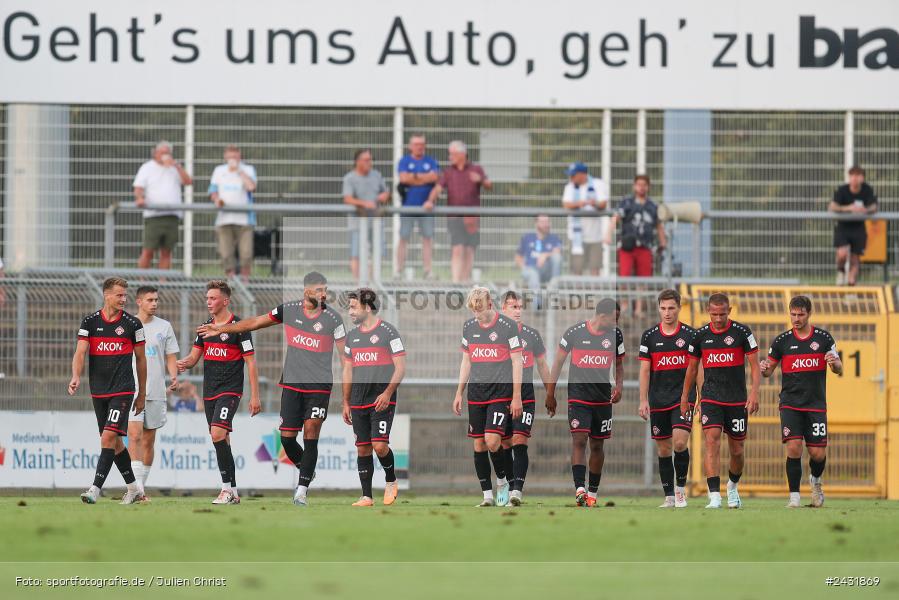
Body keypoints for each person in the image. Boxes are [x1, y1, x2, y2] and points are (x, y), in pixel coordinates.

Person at [197, 271, 346, 507]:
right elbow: (255, 322)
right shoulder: (289, 309)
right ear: (306, 290)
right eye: (319, 290)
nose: (324, 294)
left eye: (325, 290)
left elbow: (345, 360)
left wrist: (346, 398)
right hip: (292, 384)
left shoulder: (334, 319)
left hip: (319, 386)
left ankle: (301, 490)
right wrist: (223, 329)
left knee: (311, 432)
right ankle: (305, 467)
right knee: (287, 438)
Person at [176, 280, 261, 505]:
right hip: (209, 390)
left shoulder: (239, 328)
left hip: (230, 390)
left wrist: (255, 395)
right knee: (222, 440)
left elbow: (251, 363)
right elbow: (195, 356)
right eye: (207, 298)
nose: (208, 302)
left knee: (217, 434)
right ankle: (233, 490)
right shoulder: (206, 326)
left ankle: (225, 490)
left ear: (225, 300)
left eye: (212, 298)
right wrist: (184, 363)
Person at [69, 277, 147, 505]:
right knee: (115, 443)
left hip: (123, 389)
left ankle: (94, 489)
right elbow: (80, 352)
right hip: (99, 390)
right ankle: (134, 489)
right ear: (107, 295)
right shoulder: (90, 322)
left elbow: (141, 360)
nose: (124, 299)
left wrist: (141, 393)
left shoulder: (133, 325)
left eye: (125, 295)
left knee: (108, 437)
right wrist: (75, 376)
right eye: (119, 295)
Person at [680, 293, 760, 509]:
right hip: (711, 397)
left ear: (729, 311)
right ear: (708, 311)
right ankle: (714, 495)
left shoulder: (743, 332)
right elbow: (692, 368)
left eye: (722, 314)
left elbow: (754, 365)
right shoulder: (700, 336)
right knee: (711, 441)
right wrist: (686, 396)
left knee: (737, 450)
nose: (717, 318)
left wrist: (754, 393)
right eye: (714, 314)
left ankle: (732, 487)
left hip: (736, 400)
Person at [761, 296, 841, 508]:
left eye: (800, 314)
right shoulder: (782, 341)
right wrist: (764, 369)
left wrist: (833, 364)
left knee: (818, 453)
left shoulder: (823, 338)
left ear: (809, 314)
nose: (796, 318)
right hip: (790, 403)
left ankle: (815, 481)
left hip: (815, 404)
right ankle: (794, 497)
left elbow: (839, 368)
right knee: (794, 448)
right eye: (793, 314)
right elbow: (769, 370)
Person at [546, 298, 624, 507]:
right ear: (602, 316)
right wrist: (550, 394)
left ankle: (592, 494)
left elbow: (619, 364)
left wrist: (619, 386)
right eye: (614, 319)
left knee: (597, 445)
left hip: (602, 398)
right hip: (579, 396)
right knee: (579, 440)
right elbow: (558, 363)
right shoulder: (575, 332)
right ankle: (579, 489)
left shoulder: (615, 335)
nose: (616, 323)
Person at [453, 287, 523, 507]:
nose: (477, 316)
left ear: (490, 304)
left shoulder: (508, 327)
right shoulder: (469, 326)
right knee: (479, 445)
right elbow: (466, 361)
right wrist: (459, 392)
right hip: (476, 393)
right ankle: (487, 496)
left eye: (480, 311)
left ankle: (502, 481)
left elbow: (517, 361)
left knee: (493, 440)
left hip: (500, 393)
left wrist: (517, 396)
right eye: (474, 311)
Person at [341, 289, 406, 507]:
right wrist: (346, 401)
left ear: (367, 307)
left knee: (379, 446)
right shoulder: (352, 337)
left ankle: (391, 480)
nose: (350, 311)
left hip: (381, 397)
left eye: (353, 307)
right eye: (349, 307)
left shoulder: (389, 332)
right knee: (363, 447)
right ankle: (366, 496)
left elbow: (400, 368)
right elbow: (348, 370)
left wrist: (388, 393)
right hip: (359, 398)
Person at [638, 289, 697, 508]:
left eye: (671, 308)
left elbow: (696, 368)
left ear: (679, 308)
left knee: (680, 443)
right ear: (658, 309)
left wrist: (700, 397)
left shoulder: (690, 335)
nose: (667, 312)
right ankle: (669, 496)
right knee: (663, 449)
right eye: (663, 308)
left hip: (683, 398)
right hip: (658, 398)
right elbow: (645, 370)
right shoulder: (649, 335)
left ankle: (681, 491)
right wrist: (643, 400)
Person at [127, 286, 180, 500]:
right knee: (134, 435)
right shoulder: (128, 324)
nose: (154, 303)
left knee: (149, 440)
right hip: (133, 390)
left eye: (156, 300)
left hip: (156, 390)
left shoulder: (164, 326)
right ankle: (137, 488)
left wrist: (174, 375)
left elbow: (170, 356)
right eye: (150, 300)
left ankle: (141, 485)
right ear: (139, 301)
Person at [499, 291, 551, 506]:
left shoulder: (531, 334)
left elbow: (542, 365)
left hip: (526, 395)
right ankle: (507, 484)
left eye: (520, 307)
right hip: (500, 395)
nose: (518, 311)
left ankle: (517, 491)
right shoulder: (495, 334)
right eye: (513, 307)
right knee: (504, 443)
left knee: (520, 441)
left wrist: (550, 392)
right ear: (503, 309)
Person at [426, 141, 492, 283]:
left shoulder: (476, 169)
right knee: (457, 247)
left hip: (472, 218)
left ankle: (465, 280)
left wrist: (480, 180)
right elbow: (438, 189)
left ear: (462, 154)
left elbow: (488, 185)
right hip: (454, 217)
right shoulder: (449, 172)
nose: (450, 157)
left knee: (469, 249)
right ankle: (456, 282)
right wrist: (430, 201)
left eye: (453, 154)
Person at [133, 141, 192, 270]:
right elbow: (138, 187)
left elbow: (188, 181)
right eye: (162, 153)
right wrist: (139, 198)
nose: (165, 155)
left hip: (172, 216)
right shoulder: (147, 167)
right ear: (155, 153)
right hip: (154, 216)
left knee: (166, 252)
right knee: (148, 251)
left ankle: (162, 282)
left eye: (167, 153)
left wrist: (176, 166)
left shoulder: (174, 168)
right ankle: (142, 281)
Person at [209, 145, 258, 280]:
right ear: (225, 157)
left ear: (240, 156)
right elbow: (212, 191)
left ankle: (245, 284)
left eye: (235, 156)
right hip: (224, 219)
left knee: (246, 254)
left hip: (245, 219)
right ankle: (231, 283)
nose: (232, 159)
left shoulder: (248, 169)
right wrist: (217, 199)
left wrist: (239, 171)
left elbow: (251, 187)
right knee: (226, 254)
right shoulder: (219, 170)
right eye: (230, 157)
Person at [396, 135, 439, 279]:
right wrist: (424, 178)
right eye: (416, 144)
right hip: (408, 206)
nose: (419, 147)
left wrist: (413, 178)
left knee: (427, 238)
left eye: (422, 144)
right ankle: (398, 270)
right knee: (403, 237)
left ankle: (428, 270)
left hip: (427, 207)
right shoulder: (404, 161)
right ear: (410, 146)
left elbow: (435, 178)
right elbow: (403, 178)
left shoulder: (431, 161)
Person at [343, 149, 390, 281]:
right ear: (357, 162)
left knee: (379, 252)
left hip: (375, 222)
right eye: (366, 160)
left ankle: (372, 284)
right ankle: (358, 285)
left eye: (370, 159)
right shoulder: (349, 178)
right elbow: (347, 199)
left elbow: (386, 194)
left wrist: (385, 195)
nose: (370, 162)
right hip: (357, 223)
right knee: (356, 253)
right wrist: (365, 204)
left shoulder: (377, 175)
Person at [608, 175, 666, 277]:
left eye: (644, 185)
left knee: (644, 279)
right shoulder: (627, 202)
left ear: (648, 187)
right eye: (639, 185)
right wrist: (608, 234)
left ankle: (641, 293)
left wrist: (663, 242)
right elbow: (615, 217)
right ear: (634, 186)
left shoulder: (653, 205)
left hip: (645, 246)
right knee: (624, 277)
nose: (641, 187)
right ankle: (624, 293)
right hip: (627, 246)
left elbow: (659, 225)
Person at [830, 165, 878, 286]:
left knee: (855, 260)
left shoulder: (867, 190)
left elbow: (874, 206)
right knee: (842, 254)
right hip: (843, 228)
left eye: (858, 176)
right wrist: (848, 208)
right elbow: (832, 206)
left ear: (862, 178)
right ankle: (840, 272)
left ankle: (851, 287)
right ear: (849, 177)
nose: (855, 179)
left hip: (858, 229)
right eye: (853, 176)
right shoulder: (842, 190)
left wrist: (865, 210)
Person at [561, 162, 609, 276]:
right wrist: (580, 203)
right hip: (576, 236)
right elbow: (566, 205)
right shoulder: (569, 187)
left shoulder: (598, 184)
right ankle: (577, 293)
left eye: (573, 175)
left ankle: (595, 294)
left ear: (582, 174)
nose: (571, 178)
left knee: (595, 269)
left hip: (595, 236)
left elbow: (603, 204)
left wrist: (594, 203)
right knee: (577, 269)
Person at [516, 215, 563, 290]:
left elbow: (557, 251)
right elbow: (518, 257)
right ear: (536, 223)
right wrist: (524, 268)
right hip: (530, 269)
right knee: (533, 274)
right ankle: (537, 301)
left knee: (557, 257)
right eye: (543, 222)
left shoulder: (554, 238)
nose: (546, 224)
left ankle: (553, 291)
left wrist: (545, 255)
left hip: (546, 271)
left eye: (547, 221)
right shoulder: (527, 238)